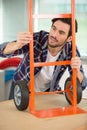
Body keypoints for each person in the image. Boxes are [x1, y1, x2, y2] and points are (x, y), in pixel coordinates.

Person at [0, 18, 87, 99]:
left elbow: (81, 85)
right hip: (21, 88)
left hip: (48, 92)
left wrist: (77, 71)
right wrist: (17, 44)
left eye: (61, 32)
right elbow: (1, 51)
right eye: (54, 28)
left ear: (70, 38)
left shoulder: (71, 50)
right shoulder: (37, 38)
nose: (54, 35)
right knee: (14, 115)